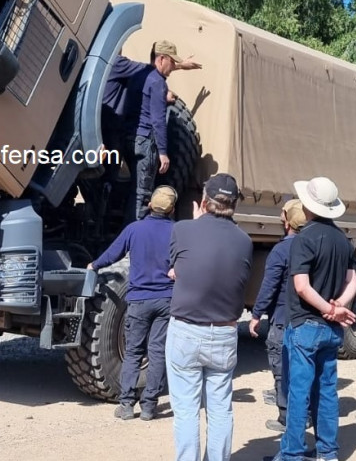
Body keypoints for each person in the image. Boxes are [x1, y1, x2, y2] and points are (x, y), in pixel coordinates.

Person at [166, 173, 253, 461]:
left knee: (187, 410)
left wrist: (196, 220)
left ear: (203, 201)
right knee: (220, 408)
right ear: (234, 206)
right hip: (225, 332)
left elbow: (176, 269)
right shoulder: (245, 241)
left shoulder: (183, 229)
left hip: (186, 330)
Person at [274, 176, 356, 461]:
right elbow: (353, 280)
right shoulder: (343, 240)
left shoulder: (304, 238)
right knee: (327, 390)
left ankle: (292, 454)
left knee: (298, 392)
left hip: (305, 324)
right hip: (330, 330)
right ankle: (327, 452)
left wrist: (328, 308)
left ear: (307, 205)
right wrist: (339, 306)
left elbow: (301, 286)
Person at [88, 185, 177, 421]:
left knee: (134, 351)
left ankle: (126, 404)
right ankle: (149, 406)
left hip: (138, 300)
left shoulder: (134, 229)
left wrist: (94, 265)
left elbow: (113, 254)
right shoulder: (177, 231)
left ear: (150, 205)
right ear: (172, 209)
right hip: (166, 300)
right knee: (157, 352)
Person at [101, 41, 201, 222]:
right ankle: (133, 239)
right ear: (161, 59)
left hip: (127, 139)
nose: (171, 68)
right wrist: (163, 152)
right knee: (142, 194)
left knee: (122, 186)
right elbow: (158, 120)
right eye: (171, 62)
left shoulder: (137, 77)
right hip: (145, 140)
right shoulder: (156, 81)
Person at [249, 198, 307, 433]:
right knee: (303, 371)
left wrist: (256, 314)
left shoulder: (282, 250)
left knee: (282, 370)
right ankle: (305, 414)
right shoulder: (314, 246)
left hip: (283, 318)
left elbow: (269, 285)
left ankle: (285, 418)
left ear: (287, 221)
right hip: (307, 319)